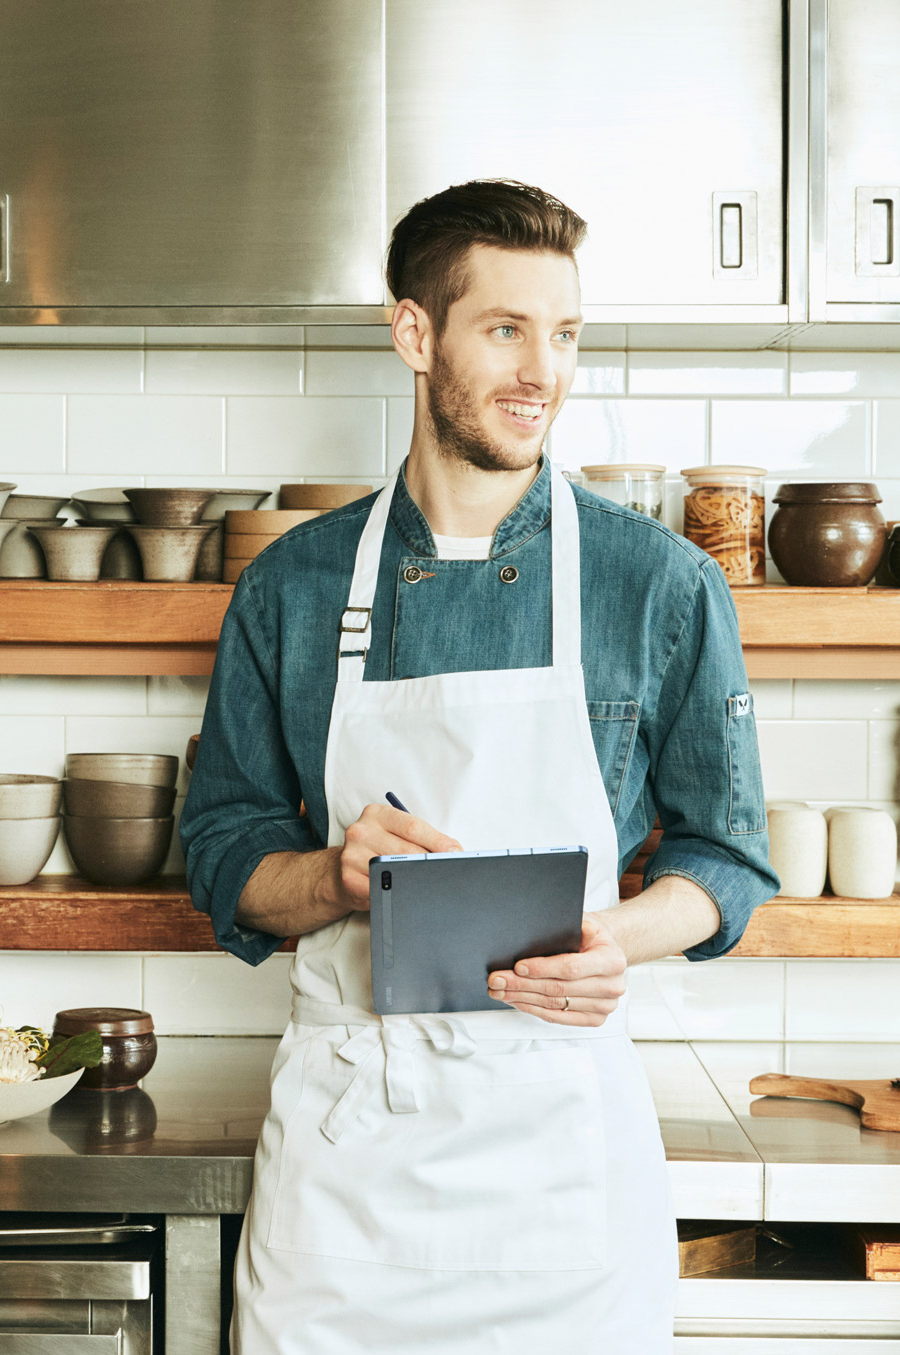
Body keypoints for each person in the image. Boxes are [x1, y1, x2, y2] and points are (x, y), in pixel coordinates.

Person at [179, 179, 778, 1354]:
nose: (539, 371)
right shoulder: (292, 588)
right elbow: (220, 855)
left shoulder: (655, 582)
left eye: (562, 335)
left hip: (560, 1167)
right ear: (413, 334)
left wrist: (616, 936)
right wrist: (333, 878)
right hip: (347, 1180)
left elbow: (726, 859)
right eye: (503, 328)